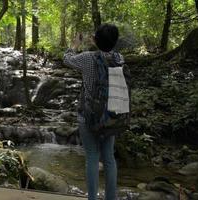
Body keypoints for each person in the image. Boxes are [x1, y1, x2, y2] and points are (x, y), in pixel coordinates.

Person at [63, 24, 128, 200]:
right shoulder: (119, 58)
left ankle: (92, 198)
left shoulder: (87, 58)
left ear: (96, 40)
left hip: (88, 116)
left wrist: (75, 45)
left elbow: (66, 59)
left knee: (92, 156)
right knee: (109, 159)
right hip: (111, 115)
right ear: (115, 41)